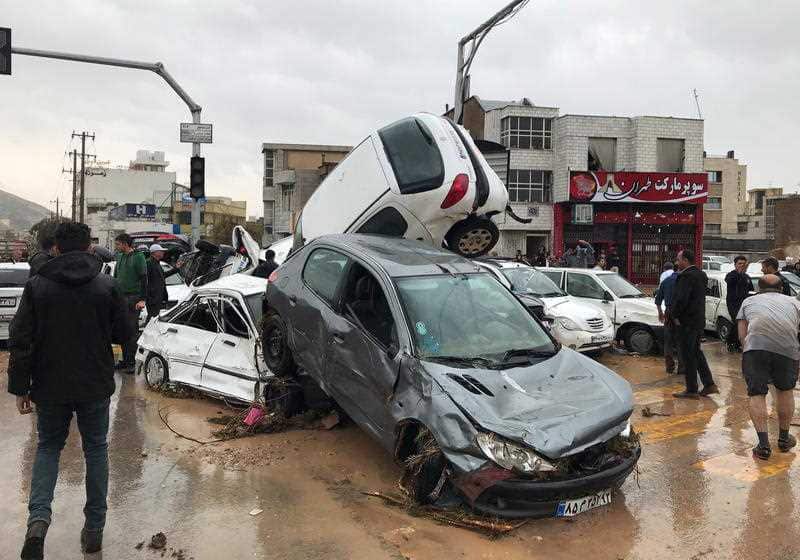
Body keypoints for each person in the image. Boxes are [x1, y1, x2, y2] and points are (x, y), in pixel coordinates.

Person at [8, 222, 129, 558]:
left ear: (56, 250)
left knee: (47, 448)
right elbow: (125, 334)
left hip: (49, 385)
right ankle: (94, 531)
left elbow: (20, 340)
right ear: (90, 249)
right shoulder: (107, 285)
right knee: (96, 450)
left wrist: (21, 387)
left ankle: (37, 523)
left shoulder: (37, 286)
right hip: (95, 384)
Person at [737, 274, 800, 459]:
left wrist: (747, 350)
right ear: (782, 288)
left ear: (758, 289)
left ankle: (763, 446)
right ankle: (783, 439)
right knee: (785, 391)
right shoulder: (795, 302)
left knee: (757, 393)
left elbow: (742, 334)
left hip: (755, 348)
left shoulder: (748, 302)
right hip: (787, 350)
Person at [671, 249, 718, 398]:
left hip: (687, 321)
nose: (676, 263)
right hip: (698, 321)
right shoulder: (701, 274)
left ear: (685, 260)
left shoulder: (686, 276)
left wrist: (674, 315)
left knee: (688, 355)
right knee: (696, 352)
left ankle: (691, 389)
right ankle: (709, 384)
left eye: (678, 260)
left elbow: (681, 299)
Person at [113, 233, 147, 372]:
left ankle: (131, 362)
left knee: (131, 331)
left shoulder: (138, 257)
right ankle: (125, 360)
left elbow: (144, 279)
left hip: (133, 298)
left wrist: (142, 299)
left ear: (125, 244)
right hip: (120, 297)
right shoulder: (119, 257)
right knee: (121, 330)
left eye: (118, 244)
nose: (116, 246)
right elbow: (116, 277)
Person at [655, 263, 681, 374]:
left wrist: (660, 313)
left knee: (668, 341)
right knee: (681, 340)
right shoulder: (684, 281)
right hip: (681, 314)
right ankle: (682, 368)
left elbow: (658, 300)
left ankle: (669, 367)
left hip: (669, 312)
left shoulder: (666, 281)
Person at [144, 243, 180, 320]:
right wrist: (149, 297)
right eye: (161, 251)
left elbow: (162, 275)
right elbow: (144, 281)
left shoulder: (157, 263)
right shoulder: (148, 263)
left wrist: (176, 268)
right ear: (155, 253)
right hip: (153, 298)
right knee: (152, 319)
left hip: (158, 297)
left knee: (155, 318)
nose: (163, 253)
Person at [724, 255, 751, 352]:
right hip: (733, 304)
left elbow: (750, 290)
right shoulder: (731, 275)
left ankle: (737, 343)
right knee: (737, 322)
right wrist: (739, 273)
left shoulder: (747, 277)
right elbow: (729, 281)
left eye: (744, 264)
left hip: (744, 303)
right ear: (735, 265)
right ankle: (730, 341)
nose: (742, 266)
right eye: (739, 264)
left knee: (744, 324)